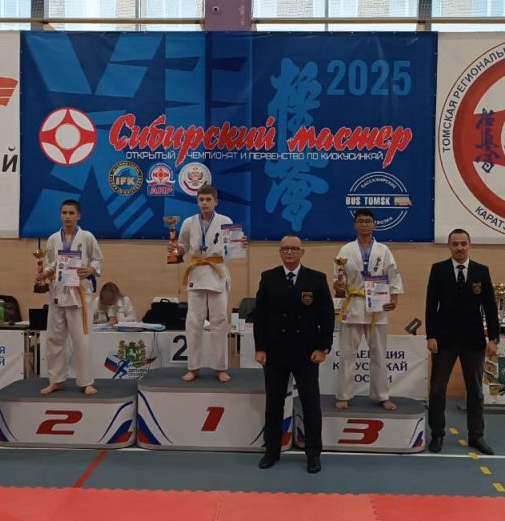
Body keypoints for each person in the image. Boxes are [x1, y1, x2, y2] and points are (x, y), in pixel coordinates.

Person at [253, 235, 334, 474]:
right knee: (274, 403)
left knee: (310, 404)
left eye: (294, 249)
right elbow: (260, 316)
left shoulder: (316, 279)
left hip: (306, 352)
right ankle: (272, 450)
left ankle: (313, 453)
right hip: (275, 351)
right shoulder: (269, 277)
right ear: (280, 252)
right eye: (285, 249)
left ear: (302, 252)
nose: (289, 253)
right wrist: (260, 348)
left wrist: (323, 347)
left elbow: (327, 316)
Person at [425, 228, 500, 455]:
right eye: (455, 244)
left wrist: (494, 338)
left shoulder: (481, 271)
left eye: (463, 243)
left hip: (473, 340)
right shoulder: (438, 270)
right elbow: (431, 306)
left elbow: (490, 307)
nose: (459, 248)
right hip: (444, 340)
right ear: (449, 246)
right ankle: (437, 434)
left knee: (475, 391)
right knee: (437, 390)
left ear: (469, 245)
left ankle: (476, 436)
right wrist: (431, 336)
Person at [333, 208, 403, 411]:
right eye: (361, 221)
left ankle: (382, 395)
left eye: (368, 221)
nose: (364, 224)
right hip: (353, 304)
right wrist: (338, 285)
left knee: (379, 354)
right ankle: (344, 395)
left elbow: (394, 274)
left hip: (377, 305)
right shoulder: (346, 250)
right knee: (347, 354)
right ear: (355, 224)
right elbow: (338, 279)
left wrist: (394, 298)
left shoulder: (383, 250)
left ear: (374, 224)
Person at [168, 184, 235, 383]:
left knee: (219, 321)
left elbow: (233, 250)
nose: (204, 203)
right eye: (201, 200)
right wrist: (175, 249)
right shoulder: (188, 222)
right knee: (193, 322)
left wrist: (239, 244)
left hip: (217, 273)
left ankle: (220, 368)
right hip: (196, 273)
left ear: (216, 201)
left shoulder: (226, 221)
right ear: (197, 201)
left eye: (208, 200)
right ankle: (193, 367)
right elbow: (182, 246)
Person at [38, 199, 104, 396]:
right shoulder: (53, 239)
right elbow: (51, 263)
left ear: (78, 216)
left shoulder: (87, 237)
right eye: (64, 213)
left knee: (81, 340)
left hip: (79, 293)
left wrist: (90, 269)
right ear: (60, 215)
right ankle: (56, 380)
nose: (67, 216)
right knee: (54, 338)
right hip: (58, 292)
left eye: (71, 213)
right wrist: (45, 273)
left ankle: (86, 382)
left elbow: (98, 259)